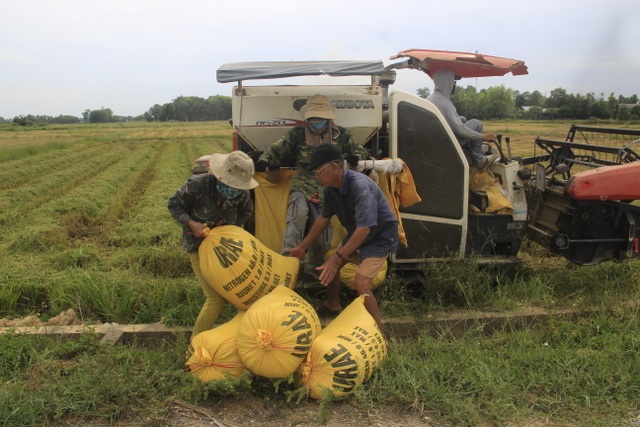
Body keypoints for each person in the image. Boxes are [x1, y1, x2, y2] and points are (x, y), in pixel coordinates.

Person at [286, 143, 398, 334]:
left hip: (380, 236)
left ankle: (380, 332)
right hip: (358, 233)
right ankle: (333, 303)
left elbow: (365, 229)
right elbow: (323, 219)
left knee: (361, 282)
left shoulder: (360, 187)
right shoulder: (331, 189)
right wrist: (302, 247)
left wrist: (339, 258)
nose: (316, 176)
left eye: (319, 171)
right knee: (330, 261)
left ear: (335, 168)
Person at [254, 94, 369, 279]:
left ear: (328, 119)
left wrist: (356, 158)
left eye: (320, 120)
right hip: (302, 185)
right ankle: (285, 271)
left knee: (322, 239)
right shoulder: (298, 134)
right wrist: (263, 161)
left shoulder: (341, 135)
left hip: (328, 191)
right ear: (307, 119)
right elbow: (277, 149)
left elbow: (360, 152)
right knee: (296, 220)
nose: (316, 123)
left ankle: (312, 271)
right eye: (313, 120)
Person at [168, 150, 259, 338]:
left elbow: (247, 212)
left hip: (226, 248)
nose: (233, 190)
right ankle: (195, 346)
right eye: (230, 185)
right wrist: (192, 223)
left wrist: (232, 228)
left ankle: (235, 337)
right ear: (220, 177)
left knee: (237, 291)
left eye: (237, 187)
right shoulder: (197, 186)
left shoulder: (241, 194)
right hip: (198, 247)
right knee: (215, 299)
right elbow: (174, 205)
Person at [427, 69, 499, 171]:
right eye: (453, 82)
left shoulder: (431, 99)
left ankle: (468, 154)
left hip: (438, 138)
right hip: (448, 143)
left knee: (462, 119)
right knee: (477, 124)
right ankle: (479, 161)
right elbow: (460, 130)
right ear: (448, 83)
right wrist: (482, 136)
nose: (454, 85)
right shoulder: (445, 103)